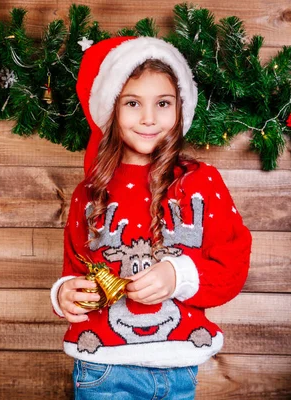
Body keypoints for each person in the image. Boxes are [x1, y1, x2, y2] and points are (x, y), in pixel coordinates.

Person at [49, 36, 252, 400]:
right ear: (111, 109)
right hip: (103, 367)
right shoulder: (89, 192)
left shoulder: (202, 183)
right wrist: (64, 293)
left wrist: (179, 275)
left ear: (180, 108)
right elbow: (74, 269)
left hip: (178, 365)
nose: (148, 118)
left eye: (162, 103)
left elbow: (233, 266)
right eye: (132, 103)